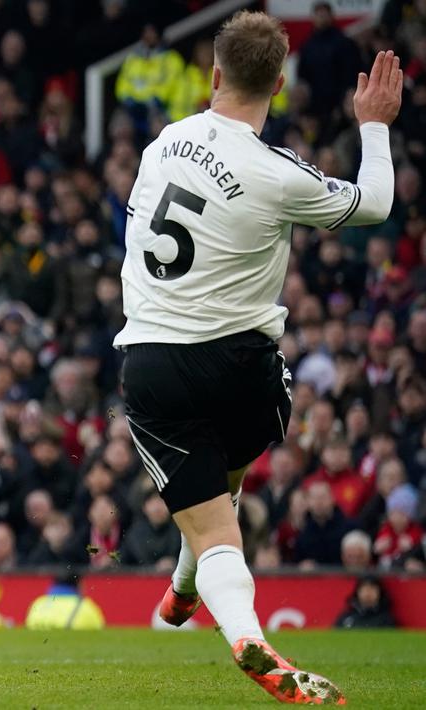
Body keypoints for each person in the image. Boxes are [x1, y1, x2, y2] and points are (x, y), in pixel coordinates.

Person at [116, 11, 399, 704]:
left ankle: (242, 631)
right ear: (279, 83)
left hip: (155, 362)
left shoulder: (162, 144)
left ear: (212, 74)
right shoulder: (279, 175)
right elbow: (374, 205)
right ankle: (184, 591)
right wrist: (374, 124)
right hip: (245, 372)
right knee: (224, 483)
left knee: (212, 523)